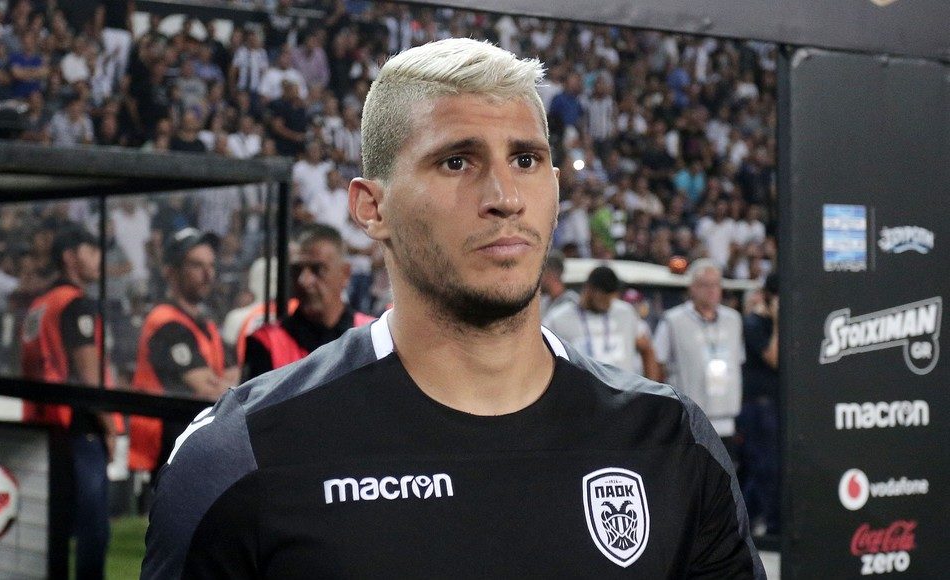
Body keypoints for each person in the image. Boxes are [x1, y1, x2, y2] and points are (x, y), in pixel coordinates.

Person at [143, 39, 763, 579]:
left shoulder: (670, 441)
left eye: (526, 160)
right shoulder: (244, 454)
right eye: (457, 161)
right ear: (371, 208)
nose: (504, 197)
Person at [20, 224, 118, 580]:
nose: (99, 258)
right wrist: (110, 428)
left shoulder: (39, 305)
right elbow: (89, 378)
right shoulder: (76, 304)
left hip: (45, 426)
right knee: (93, 530)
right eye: (91, 251)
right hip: (80, 428)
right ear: (69, 257)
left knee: (54, 529)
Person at [128, 228, 238, 476]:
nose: (208, 274)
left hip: (193, 445)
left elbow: (234, 374)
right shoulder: (166, 323)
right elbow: (208, 389)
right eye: (196, 265)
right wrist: (223, 384)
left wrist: (223, 383)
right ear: (171, 272)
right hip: (166, 452)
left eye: (211, 265)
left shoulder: (204, 323)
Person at [240, 224, 373, 381]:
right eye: (296, 270)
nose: (304, 281)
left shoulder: (373, 337)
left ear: (345, 273)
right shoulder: (267, 343)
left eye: (317, 269)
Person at [654, 259, 745, 445]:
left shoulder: (733, 320)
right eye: (705, 285)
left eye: (716, 284)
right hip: (690, 419)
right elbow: (658, 361)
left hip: (727, 416)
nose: (712, 290)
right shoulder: (673, 320)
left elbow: (738, 361)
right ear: (692, 288)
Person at [543, 265, 660, 381]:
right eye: (604, 297)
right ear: (589, 289)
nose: (608, 302)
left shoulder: (625, 312)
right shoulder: (558, 318)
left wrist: (651, 387)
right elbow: (543, 356)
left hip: (623, 389)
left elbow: (647, 349)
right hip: (582, 390)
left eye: (611, 297)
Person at [737, 273, 780, 536]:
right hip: (758, 405)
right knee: (764, 467)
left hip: (778, 403)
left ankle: (749, 520)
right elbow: (774, 358)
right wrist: (778, 321)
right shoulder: (753, 323)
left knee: (769, 468)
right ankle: (763, 523)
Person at [538, 249, 579, 320]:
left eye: (540, 274)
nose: (538, 280)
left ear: (551, 274)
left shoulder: (572, 302)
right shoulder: (543, 302)